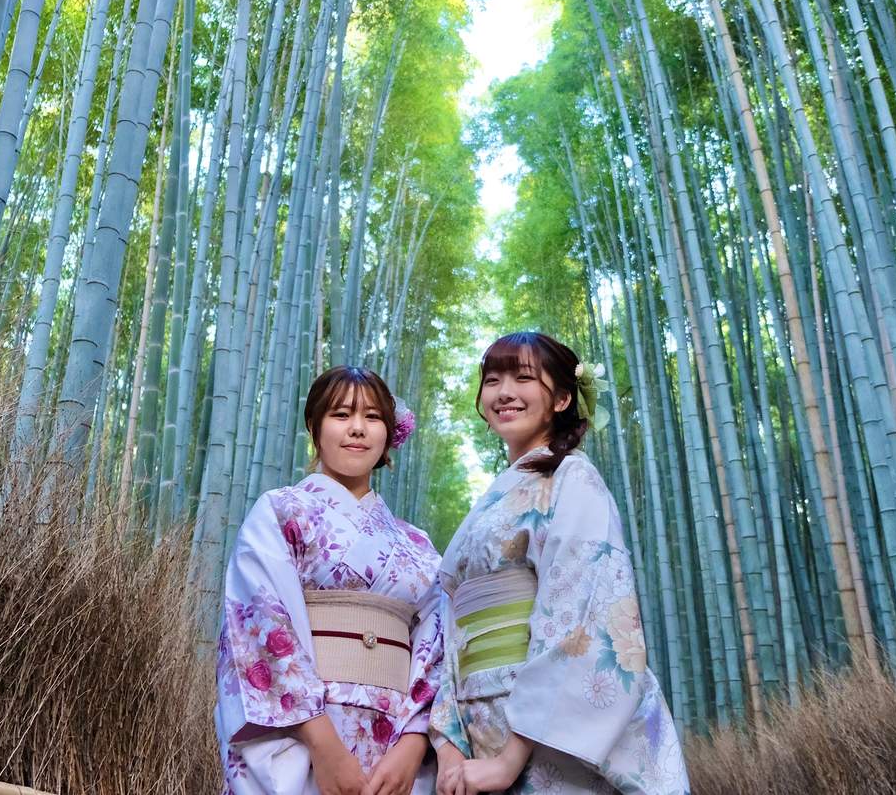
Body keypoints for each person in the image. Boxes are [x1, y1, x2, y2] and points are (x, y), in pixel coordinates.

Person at [430, 332, 689, 795]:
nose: (504, 392)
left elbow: (580, 615)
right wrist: (450, 741)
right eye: (493, 380)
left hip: (543, 736)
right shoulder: (492, 499)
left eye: (523, 378)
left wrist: (509, 760)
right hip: (478, 725)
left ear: (563, 398)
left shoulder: (573, 477)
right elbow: (450, 627)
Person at [216, 366, 442, 795]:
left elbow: (438, 648)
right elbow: (259, 622)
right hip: (305, 732)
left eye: (372, 417)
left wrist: (413, 744)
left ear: (389, 433)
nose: (358, 428)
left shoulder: (418, 544)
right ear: (314, 427)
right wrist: (324, 747)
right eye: (341, 414)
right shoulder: (281, 511)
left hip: (395, 740)